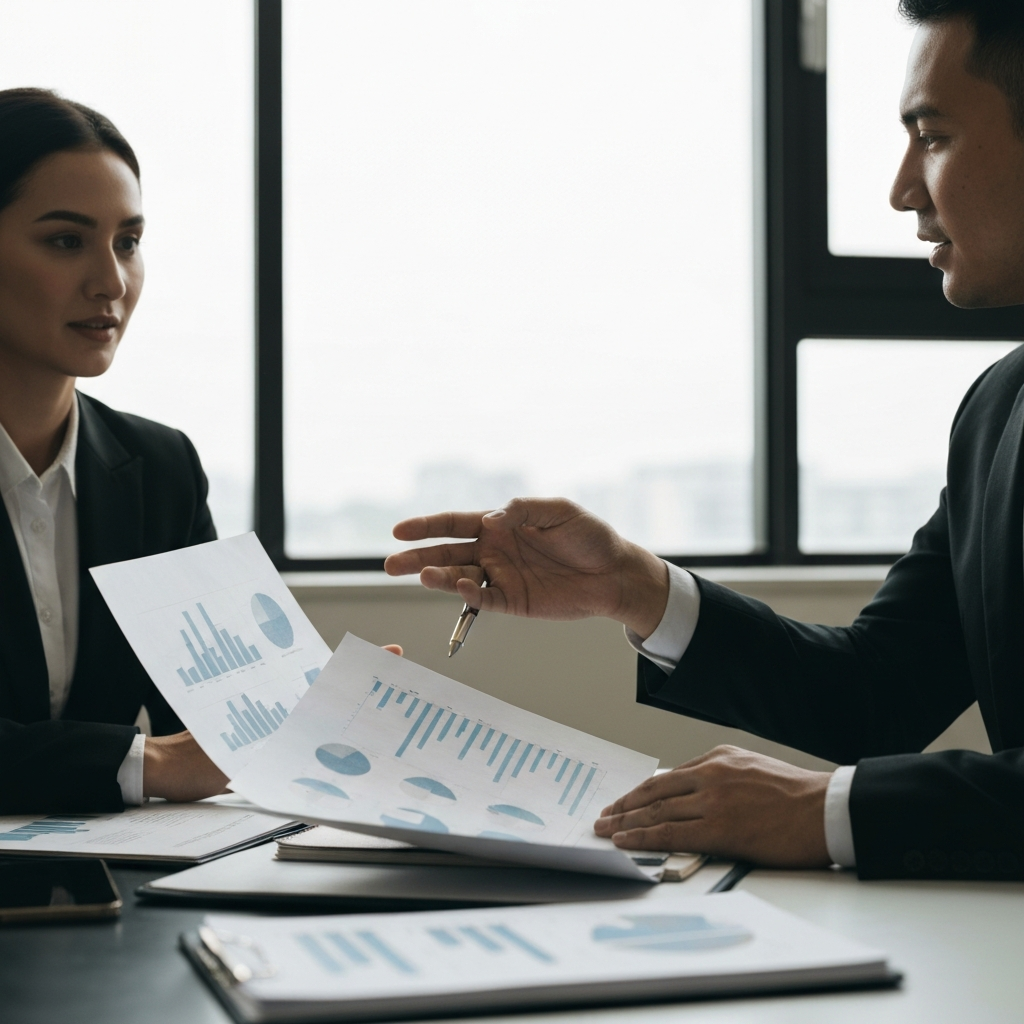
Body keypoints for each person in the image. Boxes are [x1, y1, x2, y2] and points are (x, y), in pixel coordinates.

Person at [384, 0, 1024, 881]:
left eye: (933, 135)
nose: (902, 188)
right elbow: (877, 696)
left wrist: (826, 810)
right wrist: (635, 587)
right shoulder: (999, 410)